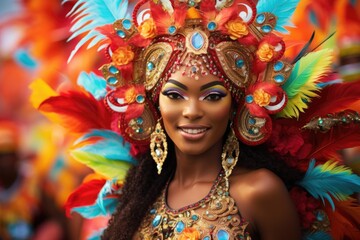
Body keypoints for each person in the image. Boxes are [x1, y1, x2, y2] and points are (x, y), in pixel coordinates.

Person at [40, 0, 359, 239]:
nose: (192, 110)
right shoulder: (138, 198)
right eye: (175, 95)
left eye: (213, 96)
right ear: (151, 105)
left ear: (238, 106)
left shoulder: (258, 191)